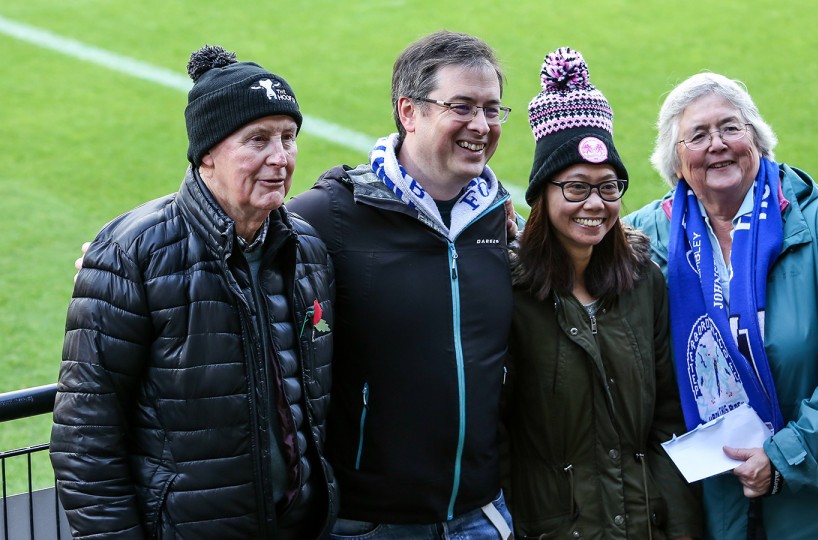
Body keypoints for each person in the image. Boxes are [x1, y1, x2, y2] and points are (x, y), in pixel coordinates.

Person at [50, 45, 337, 539]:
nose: (280, 158)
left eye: (289, 138)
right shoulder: (130, 253)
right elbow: (85, 436)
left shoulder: (306, 246)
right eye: (257, 140)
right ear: (207, 152)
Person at [622, 72, 818, 538]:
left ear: (756, 138)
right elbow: (574, 238)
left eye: (731, 127)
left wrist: (786, 458)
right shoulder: (649, 236)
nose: (718, 145)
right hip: (711, 505)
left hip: (817, 503)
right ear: (676, 158)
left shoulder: (817, 223)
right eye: (698, 135)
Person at [285, 31, 514, 538]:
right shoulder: (332, 214)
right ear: (409, 112)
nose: (481, 125)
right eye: (463, 106)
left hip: (480, 515)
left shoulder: (499, 220)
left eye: (493, 110)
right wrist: (121, 259)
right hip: (373, 523)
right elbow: (229, 247)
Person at [500, 47, 702, 540]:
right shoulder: (509, 291)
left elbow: (668, 422)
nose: (595, 203)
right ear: (542, 197)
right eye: (575, 188)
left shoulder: (644, 282)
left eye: (609, 188)